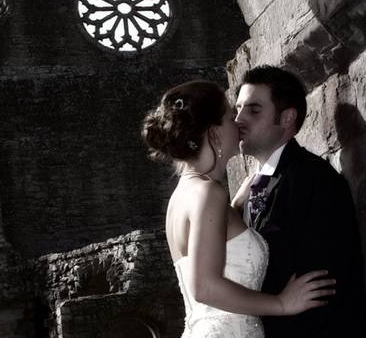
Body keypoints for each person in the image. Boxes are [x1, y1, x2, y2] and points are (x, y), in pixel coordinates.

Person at [142, 80, 336, 338]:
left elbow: (213, 249)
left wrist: (234, 206)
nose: (238, 122)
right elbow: (204, 287)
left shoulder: (182, 197)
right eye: (230, 116)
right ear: (214, 133)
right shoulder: (209, 193)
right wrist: (281, 304)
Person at [233, 66, 366, 338]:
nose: (239, 119)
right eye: (238, 109)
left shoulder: (314, 178)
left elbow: (321, 283)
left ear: (287, 117)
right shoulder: (248, 190)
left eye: (253, 110)